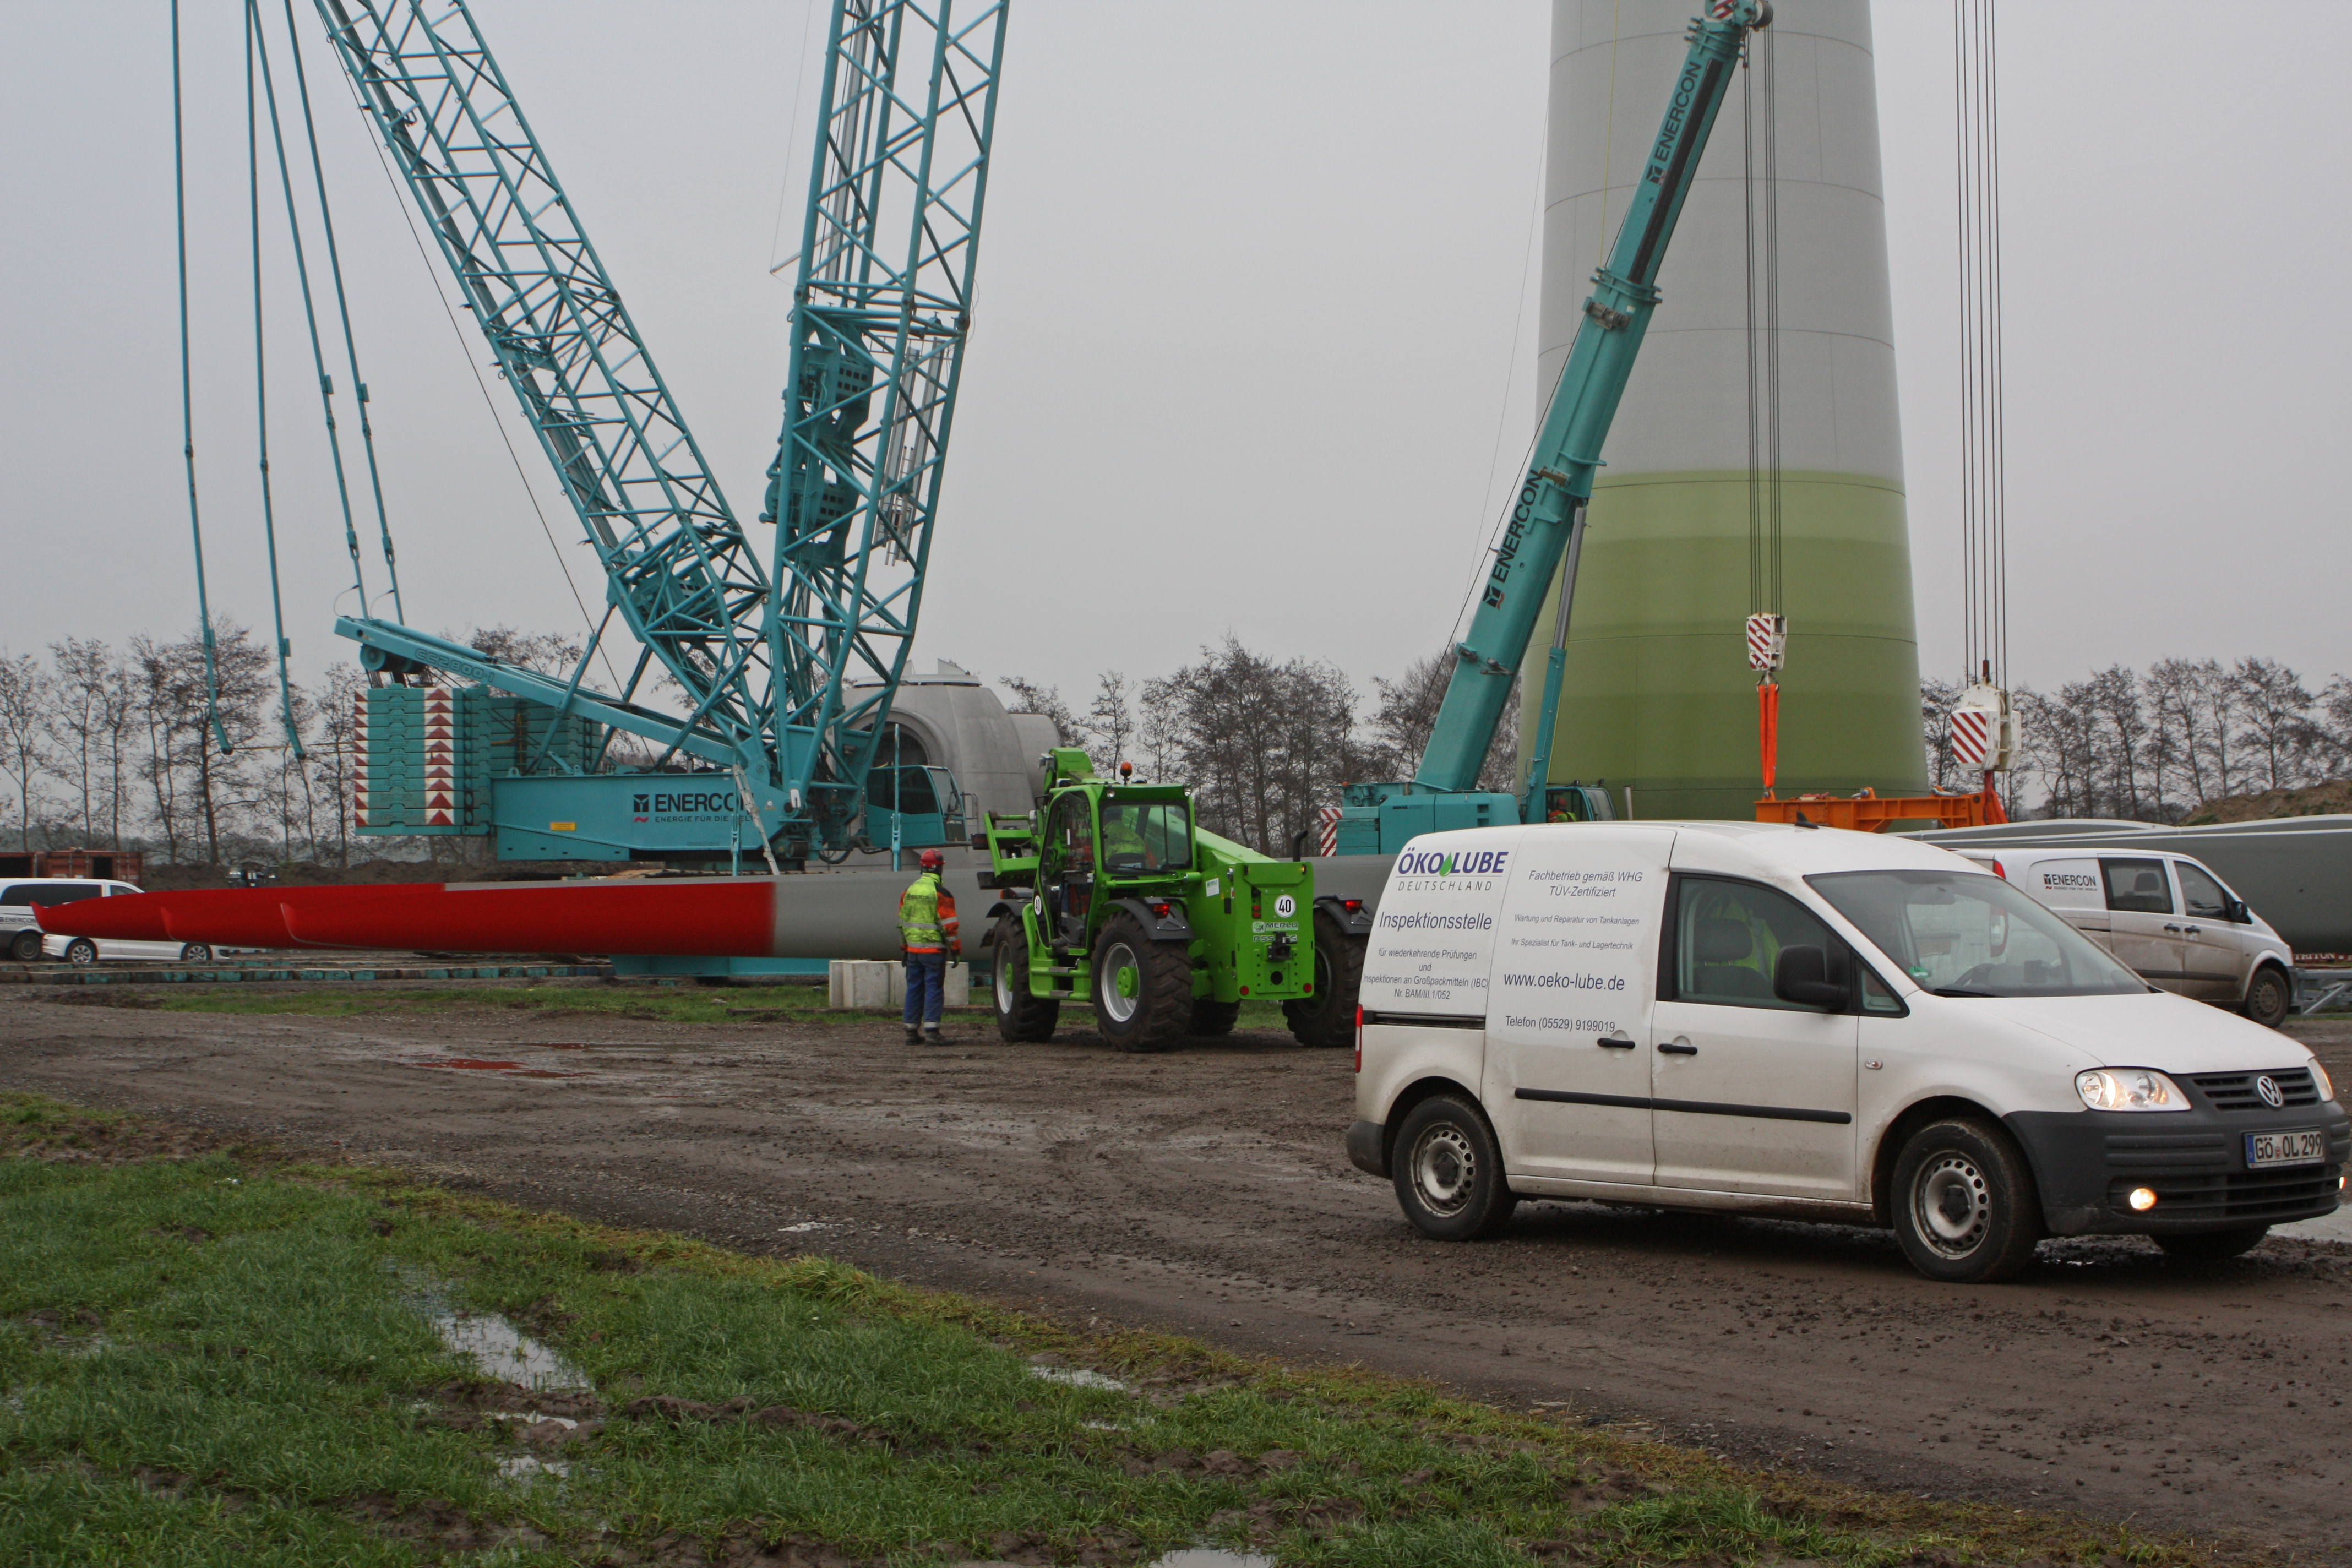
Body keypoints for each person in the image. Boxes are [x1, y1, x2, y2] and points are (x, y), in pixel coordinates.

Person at [896, 847, 959, 1044]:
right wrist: (956, 950)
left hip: (913, 952)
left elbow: (902, 923)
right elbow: (949, 926)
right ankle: (932, 1032)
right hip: (933, 952)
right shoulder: (941, 893)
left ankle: (911, 1032)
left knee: (914, 988)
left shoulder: (909, 891)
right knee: (933, 989)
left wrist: (904, 949)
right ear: (940, 869)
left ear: (922, 868)